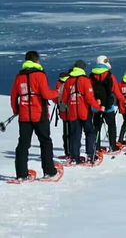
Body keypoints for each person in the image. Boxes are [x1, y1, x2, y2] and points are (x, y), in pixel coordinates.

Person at [10, 51, 61, 180]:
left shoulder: (19, 77)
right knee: (45, 142)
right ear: (36, 60)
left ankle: (21, 174)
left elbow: (13, 96)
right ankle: (49, 171)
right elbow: (46, 94)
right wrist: (57, 93)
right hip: (39, 115)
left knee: (23, 144)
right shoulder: (40, 75)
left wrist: (16, 110)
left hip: (24, 116)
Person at [62, 60, 105, 164]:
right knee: (90, 132)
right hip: (84, 112)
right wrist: (98, 107)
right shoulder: (85, 80)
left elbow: (64, 99)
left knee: (75, 135)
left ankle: (74, 157)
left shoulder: (68, 81)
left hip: (73, 112)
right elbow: (90, 99)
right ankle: (91, 155)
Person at [89, 55, 125, 152]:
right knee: (111, 126)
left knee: (96, 127)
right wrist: (123, 100)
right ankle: (113, 146)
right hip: (108, 106)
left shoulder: (91, 76)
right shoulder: (110, 76)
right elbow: (116, 91)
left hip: (96, 106)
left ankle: (96, 147)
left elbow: (89, 92)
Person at [55, 71, 70, 157]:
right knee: (73, 132)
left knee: (66, 132)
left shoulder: (59, 84)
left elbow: (56, 97)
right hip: (72, 111)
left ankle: (67, 152)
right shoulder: (71, 82)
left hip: (63, 111)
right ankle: (72, 152)